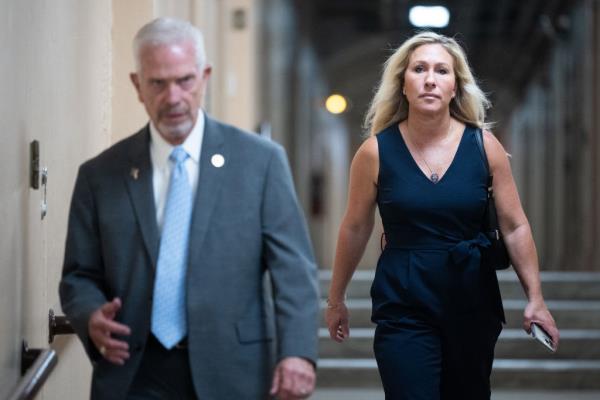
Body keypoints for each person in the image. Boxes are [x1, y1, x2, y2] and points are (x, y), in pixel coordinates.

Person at [59, 17, 318, 400]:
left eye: (184, 80)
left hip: (234, 371)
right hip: (134, 372)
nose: (174, 97)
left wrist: (297, 353)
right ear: (137, 85)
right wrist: (89, 314)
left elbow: (293, 269)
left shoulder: (259, 163)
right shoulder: (100, 175)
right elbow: (78, 275)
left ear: (205, 77)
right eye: (158, 84)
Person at [325, 31, 560, 399]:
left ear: (455, 87)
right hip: (404, 300)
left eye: (441, 71)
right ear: (403, 83)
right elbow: (355, 227)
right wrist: (336, 298)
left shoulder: (484, 147)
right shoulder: (375, 152)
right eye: (419, 69)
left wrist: (536, 298)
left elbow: (515, 226)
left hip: (471, 297)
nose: (430, 79)